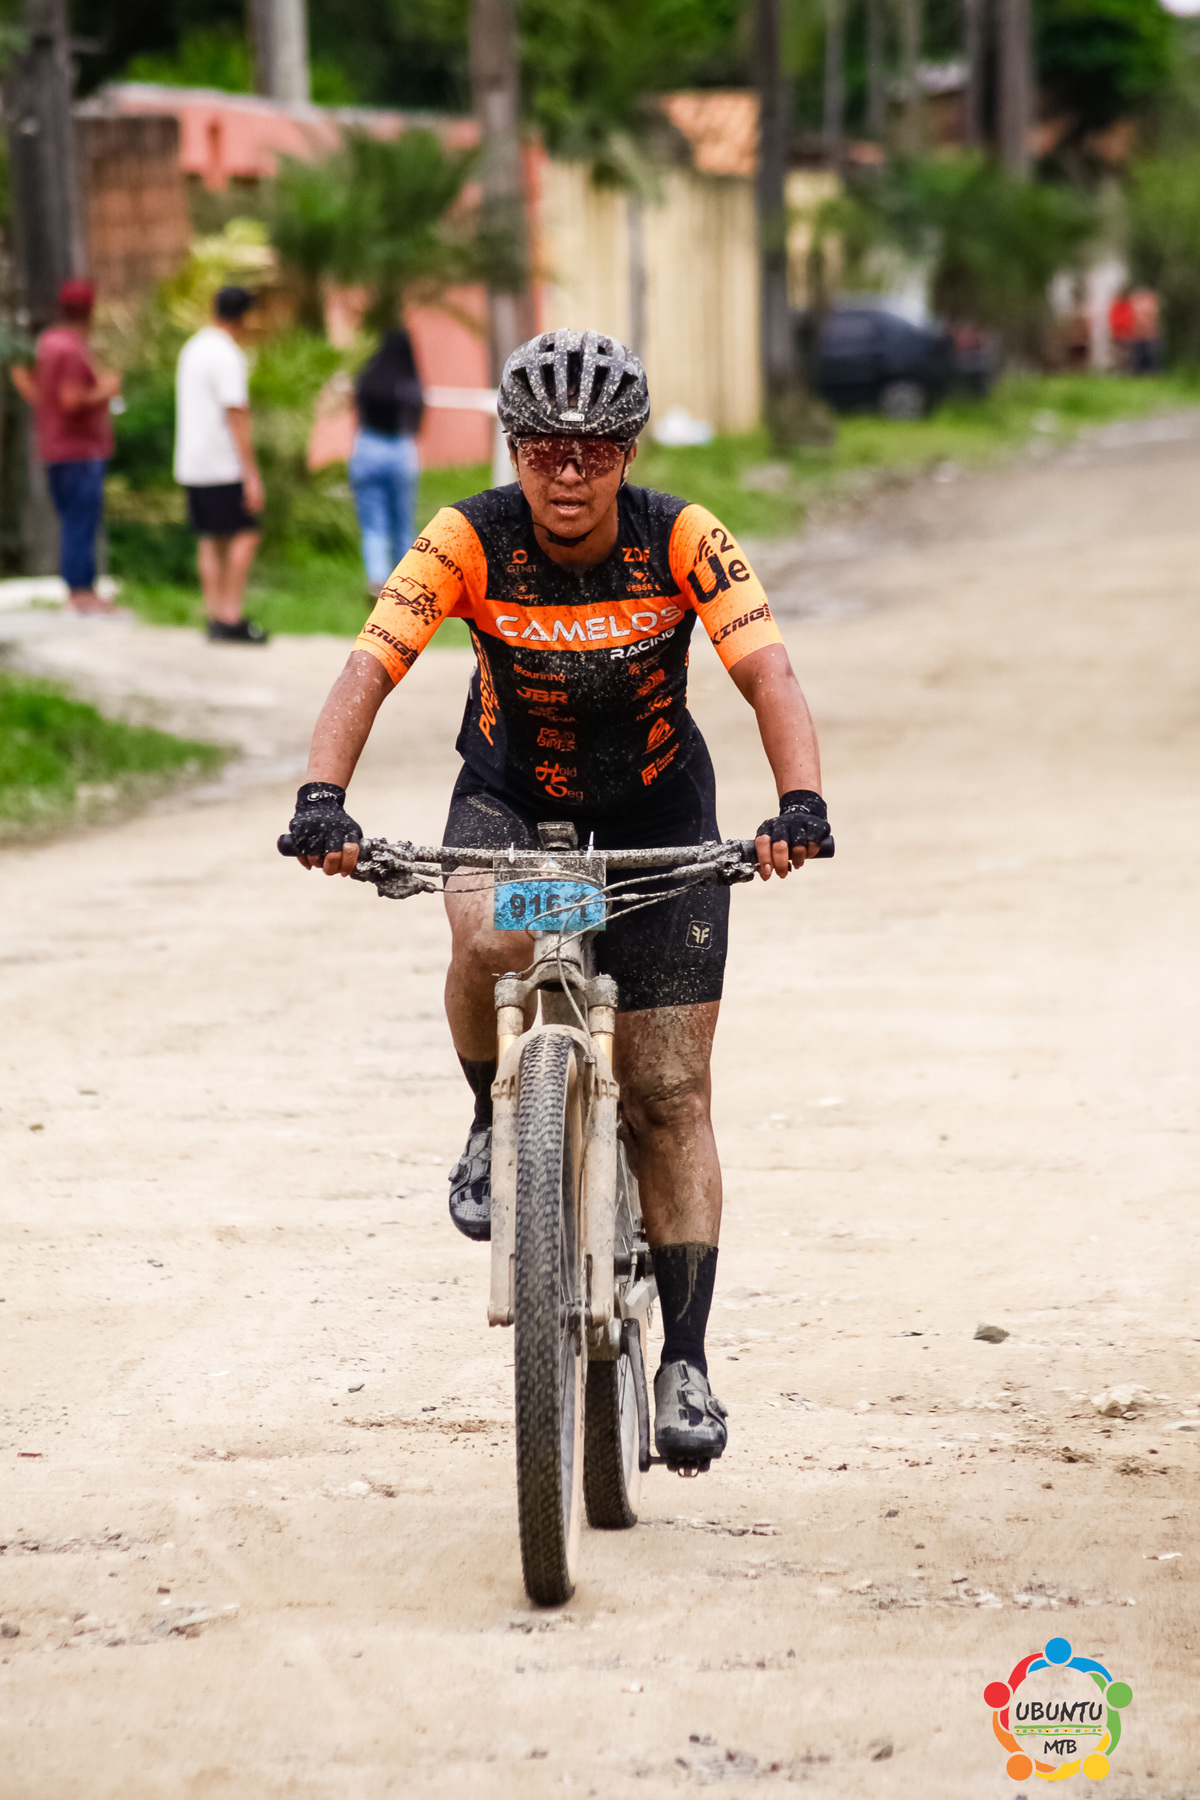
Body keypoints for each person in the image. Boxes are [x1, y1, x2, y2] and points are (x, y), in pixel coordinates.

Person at [283, 329, 832, 1471]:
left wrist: (799, 802)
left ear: (628, 454)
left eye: (594, 451)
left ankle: (685, 1362)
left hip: (657, 812)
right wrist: (323, 798)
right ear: (512, 450)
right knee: (488, 935)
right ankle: (494, 1119)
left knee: (670, 1093)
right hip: (510, 799)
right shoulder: (466, 538)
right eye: (542, 450)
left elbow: (767, 671)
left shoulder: (682, 536)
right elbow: (369, 665)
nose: (568, 473)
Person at [11, 278, 122, 615]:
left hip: (54, 446)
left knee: (72, 519)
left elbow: (24, 380)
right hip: (80, 449)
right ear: (90, 311)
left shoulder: (47, 345)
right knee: (81, 520)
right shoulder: (72, 349)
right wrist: (106, 389)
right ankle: (82, 592)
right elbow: (71, 399)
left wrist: (47, 412)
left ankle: (80, 587)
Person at [174, 285, 269, 643]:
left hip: (192, 459)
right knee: (246, 532)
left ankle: (214, 613)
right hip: (221, 460)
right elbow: (236, 412)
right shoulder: (227, 354)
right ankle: (231, 614)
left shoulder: (194, 347)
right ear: (244, 317)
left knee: (210, 538)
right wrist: (251, 472)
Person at [348, 329, 425, 599]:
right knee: (403, 521)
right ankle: (404, 581)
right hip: (400, 450)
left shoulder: (367, 377)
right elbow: (418, 421)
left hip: (368, 447)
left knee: (373, 523)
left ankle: (377, 579)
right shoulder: (409, 382)